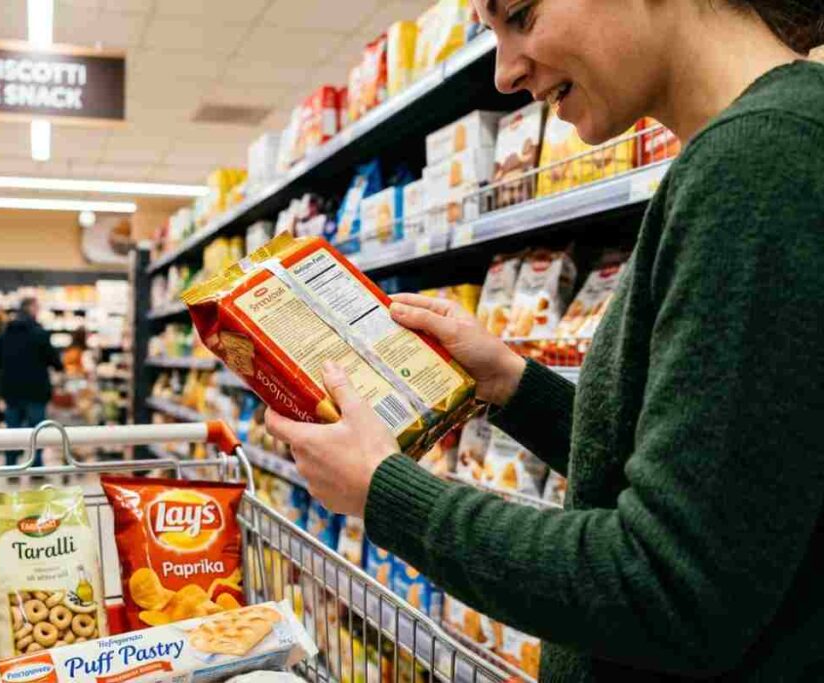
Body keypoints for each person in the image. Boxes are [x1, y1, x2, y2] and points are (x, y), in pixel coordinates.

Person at [266, 2, 824, 681]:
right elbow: (714, 477)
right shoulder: (754, 150)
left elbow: (668, 588)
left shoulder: (761, 164)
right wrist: (513, 384)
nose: (504, 73)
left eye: (522, 15)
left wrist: (386, 492)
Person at [0, 297, 63, 467]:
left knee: (13, 432)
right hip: (36, 391)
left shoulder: (5, 334)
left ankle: (11, 466)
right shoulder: (39, 333)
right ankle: (36, 465)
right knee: (37, 431)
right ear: (31, 309)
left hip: (12, 390)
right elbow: (55, 361)